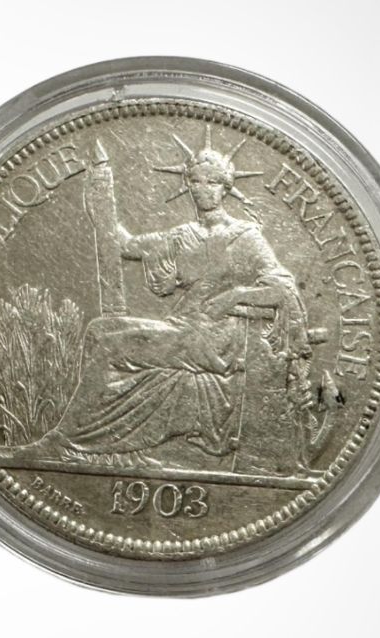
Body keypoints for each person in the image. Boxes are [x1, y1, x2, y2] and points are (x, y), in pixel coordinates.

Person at [26, 130, 315, 466]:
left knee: (109, 346)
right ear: (188, 184)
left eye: (213, 182)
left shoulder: (245, 237)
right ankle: (112, 446)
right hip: (183, 328)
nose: (204, 189)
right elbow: (125, 244)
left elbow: (283, 289)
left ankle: (63, 441)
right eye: (196, 181)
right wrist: (99, 199)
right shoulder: (182, 236)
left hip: (214, 340)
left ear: (226, 187)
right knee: (98, 330)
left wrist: (236, 295)